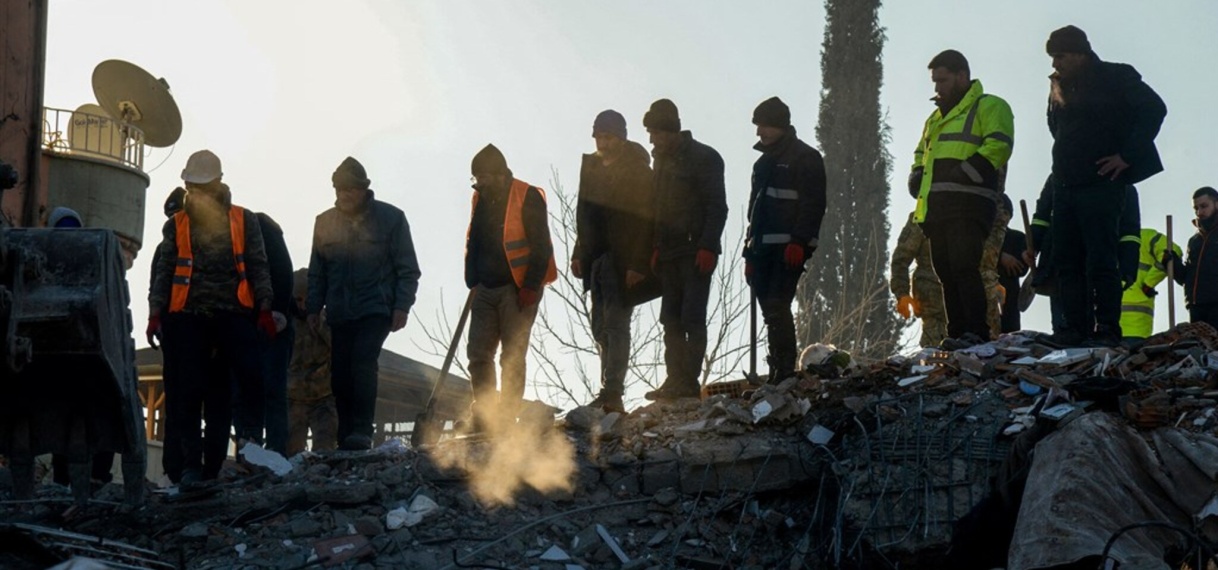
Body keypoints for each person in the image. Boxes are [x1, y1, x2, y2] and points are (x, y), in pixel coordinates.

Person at [147, 149, 276, 484]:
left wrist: (264, 306)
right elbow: (165, 270)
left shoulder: (243, 219)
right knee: (189, 393)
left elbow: (259, 265)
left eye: (202, 186)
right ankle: (191, 465)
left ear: (217, 183)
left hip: (232, 315)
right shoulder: (177, 224)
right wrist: (155, 312)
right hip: (188, 317)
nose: (197, 192)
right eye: (193, 186)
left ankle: (221, 460)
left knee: (235, 386)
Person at [1044, 25, 1167, 346]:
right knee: (1066, 260)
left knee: (1101, 257)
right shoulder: (1057, 86)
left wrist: (1126, 155)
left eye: (1061, 56)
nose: (1055, 64)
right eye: (1052, 57)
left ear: (1080, 53)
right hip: (1065, 184)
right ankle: (1072, 330)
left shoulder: (1116, 76)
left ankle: (1107, 328)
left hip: (1102, 184)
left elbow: (1154, 108)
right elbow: (1056, 127)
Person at [307, 157, 420, 451]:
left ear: (363, 190)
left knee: (363, 362)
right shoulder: (324, 222)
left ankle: (361, 430)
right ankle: (345, 436)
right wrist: (312, 307)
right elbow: (317, 271)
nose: (343, 195)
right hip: (339, 312)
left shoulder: (391, 219)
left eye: (350, 190)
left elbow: (408, 268)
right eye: (339, 190)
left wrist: (402, 306)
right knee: (340, 373)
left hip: (376, 309)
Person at [908, 50, 1014, 349]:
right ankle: (956, 334)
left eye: (942, 80)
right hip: (937, 208)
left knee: (964, 266)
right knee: (945, 270)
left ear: (962, 76)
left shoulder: (989, 105)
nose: (937, 87)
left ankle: (976, 332)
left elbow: (999, 144)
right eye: (935, 81)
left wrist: (966, 172)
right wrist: (915, 175)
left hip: (969, 204)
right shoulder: (935, 118)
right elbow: (921, 153)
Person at [464, 144, 557, 431]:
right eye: (476, 178)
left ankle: (506, 416)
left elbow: (541, 245)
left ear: (500, 174)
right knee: (478, 354)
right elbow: (474, 241)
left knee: (512, 356)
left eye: (483, 177)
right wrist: (473, 280)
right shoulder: (480, 199)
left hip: (517, 288)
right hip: (485, 288)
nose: (479, 183)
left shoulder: (526, 195)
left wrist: (529, 286)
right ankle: (486, 414)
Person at [641, 99, 728, 400]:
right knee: (670, 319)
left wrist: (708, 246)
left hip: (694, 252)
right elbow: (656, 209)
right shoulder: (661, 162)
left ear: (670, 130)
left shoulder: (704, 157)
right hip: (668, 253)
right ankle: (673, 379)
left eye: (655, 132)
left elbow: (717, 207)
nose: (652, 139)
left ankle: (688, 382)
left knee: (692, 317)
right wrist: (655, 245)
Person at [572, 110, 657, 413]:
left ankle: (613, 392)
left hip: (623, 260)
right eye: (598, 136)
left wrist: (638, 263)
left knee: (616, 325)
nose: (602, 143)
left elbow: (646, 221)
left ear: (620, 137)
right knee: (599, 328)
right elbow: (585, 214)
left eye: (608, 137)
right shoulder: (592, 168)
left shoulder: (637, 170)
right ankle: (606, 390)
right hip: (597, 258)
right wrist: (579, 252)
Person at [743, 96, 826, 382]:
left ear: (779, 125)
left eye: (764, 125)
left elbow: (813, 203)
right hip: (762, 249)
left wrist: (799, 241)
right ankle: (777, 369)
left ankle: (784, 370)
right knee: (769, 309)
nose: (759, 132)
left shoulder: (805, 157)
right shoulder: (762, 165)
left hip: (788, 248)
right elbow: (755, 213)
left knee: (778, 305)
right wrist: (748, 254)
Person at [245, 212, 294, 454]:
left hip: (270, 321)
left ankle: (275, 448)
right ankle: (252, 445)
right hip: (246, 322)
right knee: (248, 388)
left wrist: (279, 311)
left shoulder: (258, 226)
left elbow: (283, 271)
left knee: (272, 388)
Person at [287, 269, 337, 456]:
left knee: (325, 452)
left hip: (323, 398)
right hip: (293, 399)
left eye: (306, 299)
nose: (302, 305)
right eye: (297, 300)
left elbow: (337, 348)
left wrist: (321, 323)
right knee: (292, 453)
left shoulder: (326, 320)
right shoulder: (287, 324)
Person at [891, 212, 947, 348]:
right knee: (935, 352)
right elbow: (901, 259)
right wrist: (902, 293)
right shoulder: (923, 215)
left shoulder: (968, 211)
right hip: (933, 301)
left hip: (966, 298)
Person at [1168, 187, 1218, 330]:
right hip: (1196, 305)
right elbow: (1187, 278)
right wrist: (1173, 264)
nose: (1199, 212)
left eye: (1204, 206)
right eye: (1196, 208)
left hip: (1216, 304)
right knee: (1200, 347)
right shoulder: (1195, 240)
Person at [1121, 228, 1180, 341]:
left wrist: (1149, 282)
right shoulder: (1103, 239)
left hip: (1135, 327)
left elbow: (1171, 251)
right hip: (1106, 329)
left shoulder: (1145, 236)